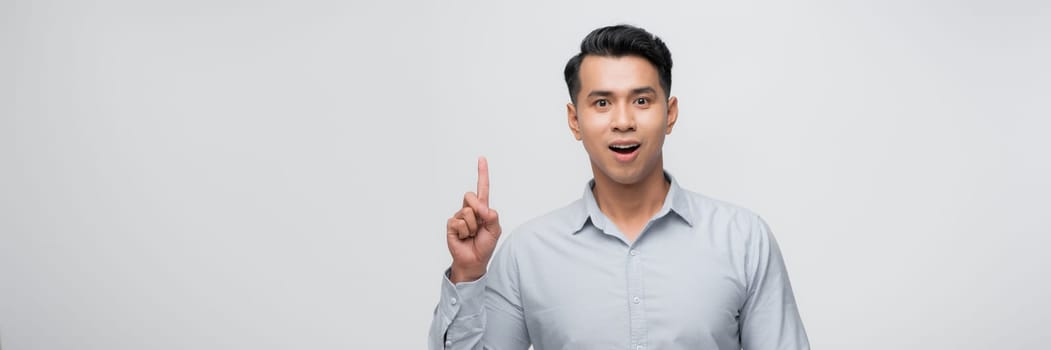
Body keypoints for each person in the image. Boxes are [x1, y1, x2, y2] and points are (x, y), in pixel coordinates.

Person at [428, 24, 810, 350]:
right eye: (602, 103)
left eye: (642, 100)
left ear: (670, 113)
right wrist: (469, 274)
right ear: (574, 120)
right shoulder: (526, 255)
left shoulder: (743, 240)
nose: (623, 121)